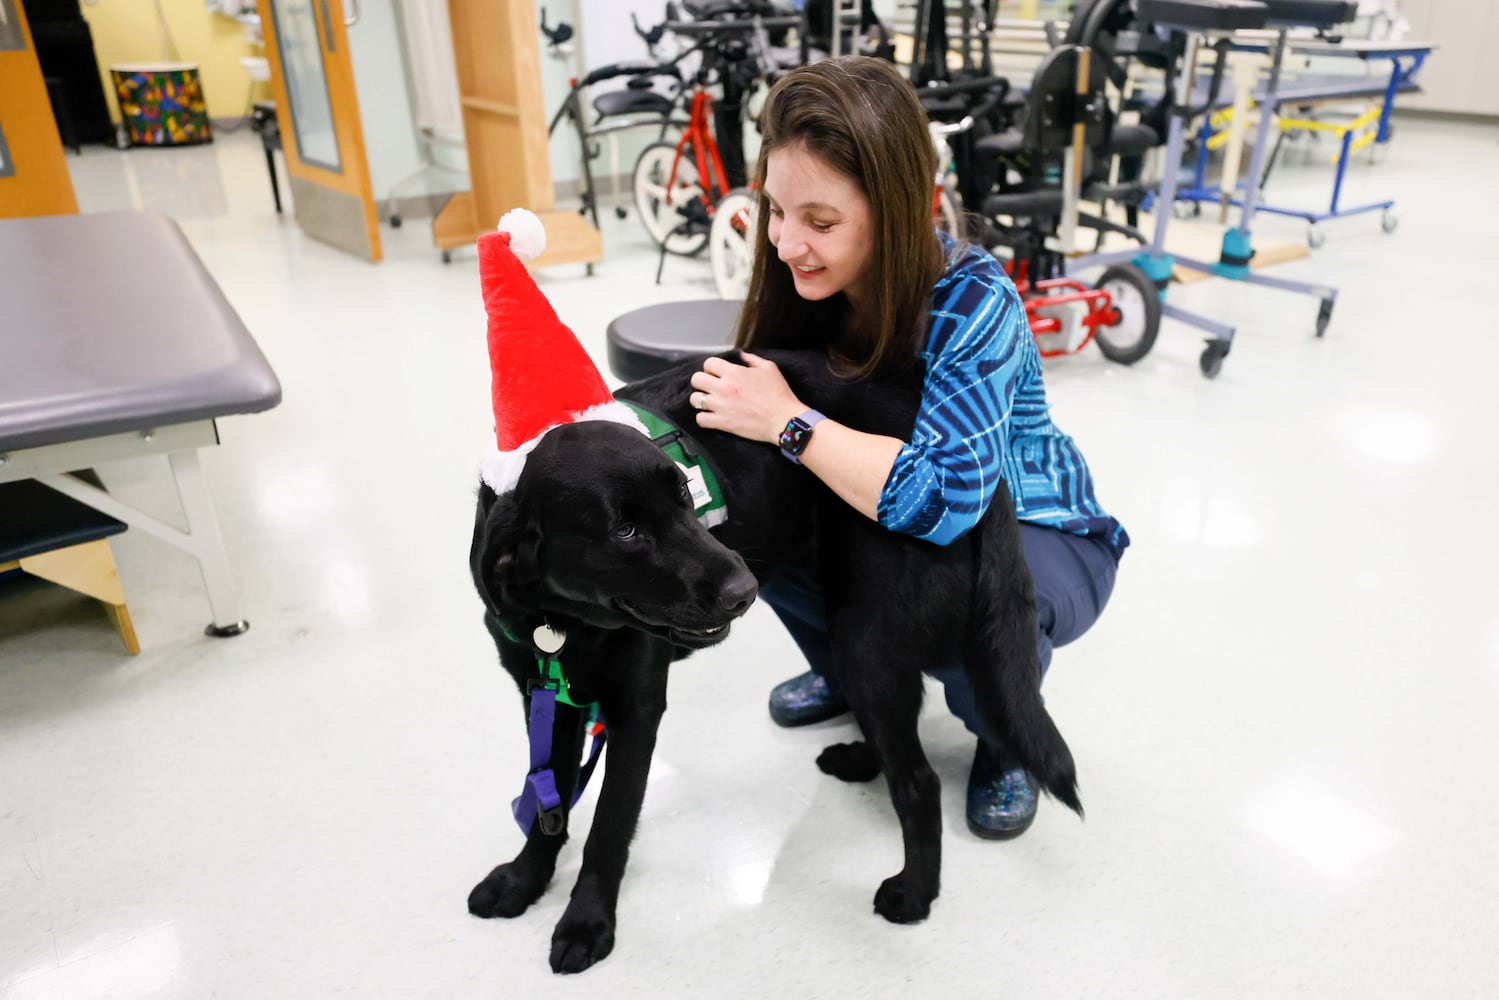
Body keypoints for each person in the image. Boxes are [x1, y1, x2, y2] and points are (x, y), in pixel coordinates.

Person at [686, 56, 1127, 840]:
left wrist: (789, 422)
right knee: (763, 538)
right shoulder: (802, 283)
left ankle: (1004, 740)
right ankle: (849, 675)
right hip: (891, 497)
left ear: (891, 211)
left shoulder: (973, 299)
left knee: (962, 612)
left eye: (820, 223)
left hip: (1031, 523)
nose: (786, 244)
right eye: (776, 211)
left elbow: (948, 506)